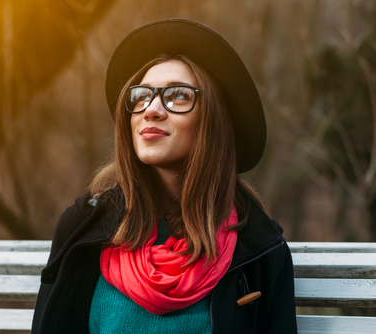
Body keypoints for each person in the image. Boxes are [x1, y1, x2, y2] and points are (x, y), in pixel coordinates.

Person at [31, 18, 297, 334]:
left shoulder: (258, 248)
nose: (151, 110)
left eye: (178, 96)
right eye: (141, 96)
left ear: (213, 121)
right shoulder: (83, 228)